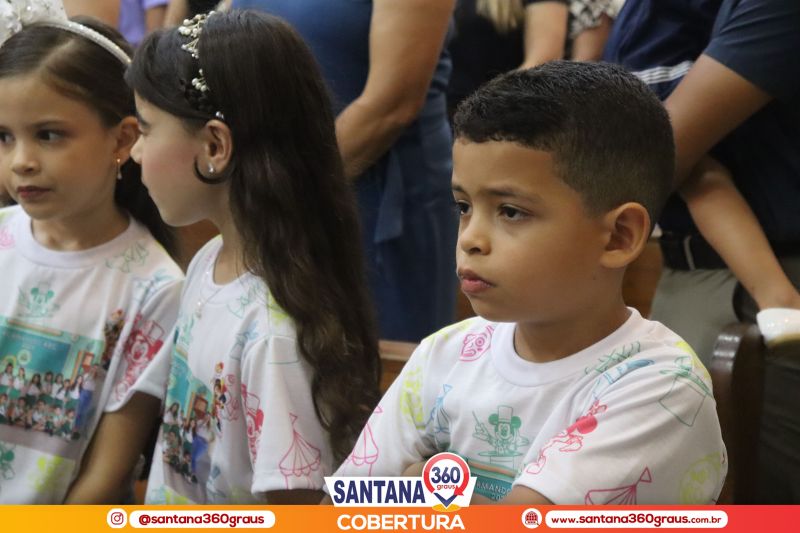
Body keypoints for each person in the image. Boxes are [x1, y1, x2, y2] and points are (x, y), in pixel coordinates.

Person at [331, 62, 727, 505]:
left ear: (619, 236)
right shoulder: (444, 354)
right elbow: (339, 511)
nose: (471, 239)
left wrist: (422, 487)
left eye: (511, 212)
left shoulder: (660, 385)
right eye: (463, 206)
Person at [127, 10, 381, 504]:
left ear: (214, 146)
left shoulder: (273, 332)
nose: (136, 152)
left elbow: (295, 511)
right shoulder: (208, 262)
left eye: (147, 129)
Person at [603, 0, 800, 503]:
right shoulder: (638, 18)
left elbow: (663, 154)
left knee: (766, 494)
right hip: (677, 257)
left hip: (756, 260)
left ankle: (777, 295)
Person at [0, 5, 183, 503]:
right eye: (4, 137)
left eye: (49, 134)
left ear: (122, 139)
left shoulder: (156, 287)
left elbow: (105, 477)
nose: (21, 161)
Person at [233, 0, 459, 342]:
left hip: (373, 199)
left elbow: (391, 105)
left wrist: (285, 193)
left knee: (377, 363)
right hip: (265, 191)